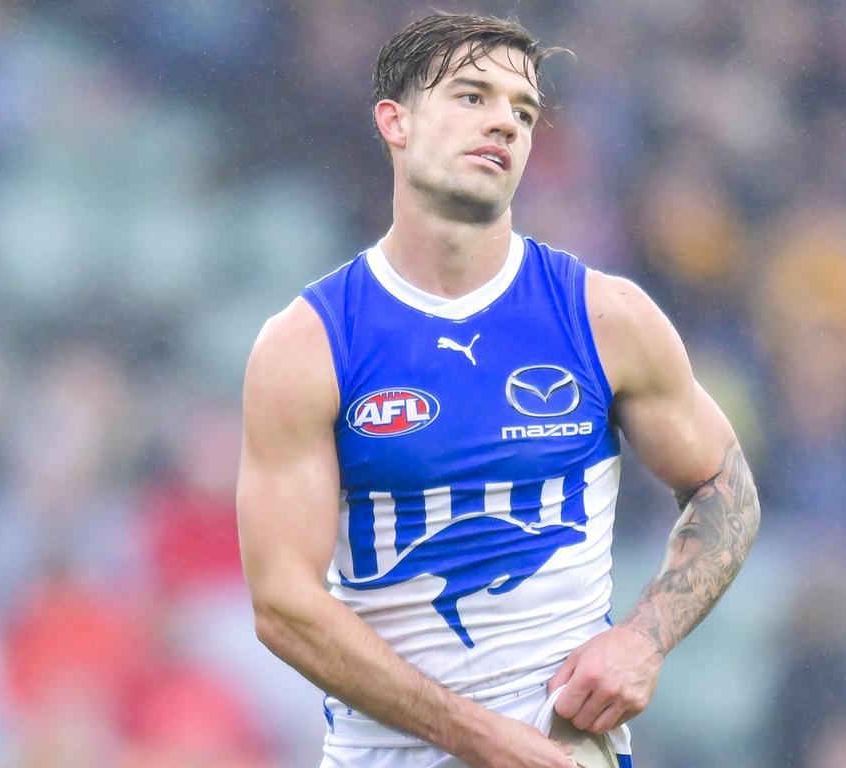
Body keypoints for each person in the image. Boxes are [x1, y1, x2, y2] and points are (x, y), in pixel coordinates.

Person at [236, 12, 760, 768]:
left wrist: (645, 640)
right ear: (395, 122)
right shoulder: (310, 342)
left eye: (523, 111)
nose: (505, 125)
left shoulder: (603, 315)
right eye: (472, 97)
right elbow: (283, 605)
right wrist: (479, 738)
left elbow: (724, 483)